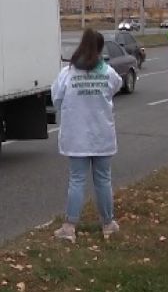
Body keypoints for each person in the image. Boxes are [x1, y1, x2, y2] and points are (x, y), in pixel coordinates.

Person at [51, 29, 123, 243]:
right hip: (101, 135)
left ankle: (69, 227)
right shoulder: (108, 72)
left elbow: (56, 99)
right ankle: (108, 224)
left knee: (77, 180)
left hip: (76, 136)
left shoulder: (68, 73)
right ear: (100, 49)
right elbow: (115, 88)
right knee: (103, 180)